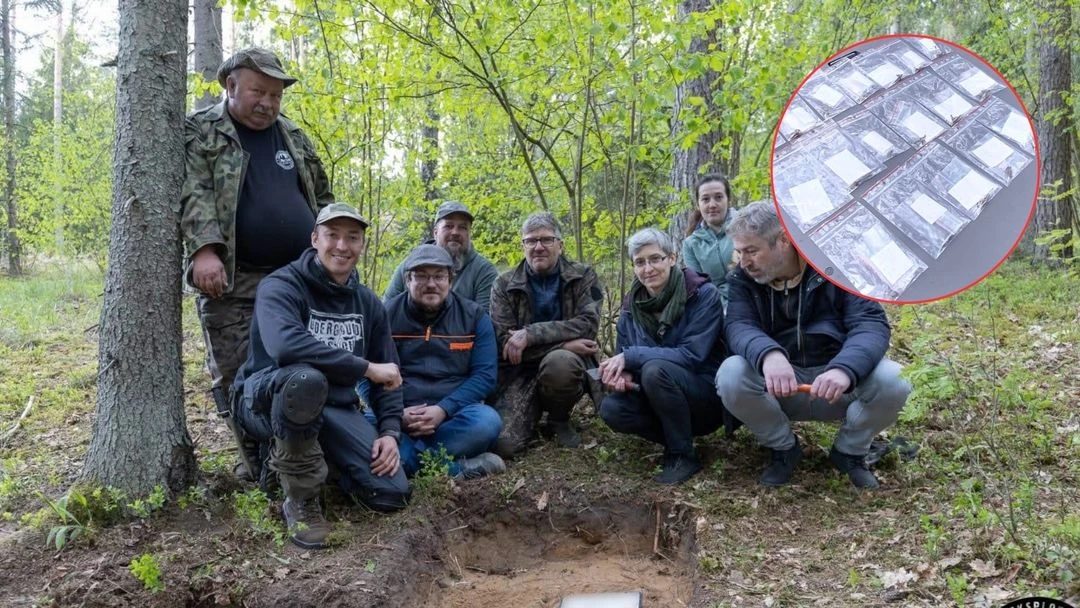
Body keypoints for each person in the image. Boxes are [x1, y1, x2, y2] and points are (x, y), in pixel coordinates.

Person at [180, 47, 334, 481]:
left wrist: (332, 252)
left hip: (297, 280)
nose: (268, 102)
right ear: (230, 86)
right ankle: (260, 468)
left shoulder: (293, 135)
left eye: (276, 94)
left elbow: (321, 197)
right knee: (239, 376)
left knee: (302, 369)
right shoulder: (201, 131)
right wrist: (204, 249)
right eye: (258, 91)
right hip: (233, 281)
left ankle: (300, 458)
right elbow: (193, 192)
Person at [232, 203, 410, 550]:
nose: (342, 246)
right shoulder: (281, 285)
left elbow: (389, 373)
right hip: (266, 400)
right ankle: (300, 500)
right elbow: (287, 346)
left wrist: (389, 431)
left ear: (362, 246)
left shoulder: (368, 303)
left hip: (332, 407)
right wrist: (364, 369)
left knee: (391, 493)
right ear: (315, 239)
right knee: (306, 381)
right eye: (332, 235)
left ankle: (297, 461)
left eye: (352, 238)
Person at [715, 201, 911, 489]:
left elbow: (870, 324)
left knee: (894, 380)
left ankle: (849, 452)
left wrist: (844, 370)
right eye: (740, 252)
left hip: (837, 386)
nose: (744, 262)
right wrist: (768, 354)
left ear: (784, 240)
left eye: (752, 251)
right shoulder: (743, 280)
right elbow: (738, 325)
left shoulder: (837, 267)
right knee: (731, 374)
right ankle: (783, 448)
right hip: (781, 386)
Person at [597, 228, 728, 485]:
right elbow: (626, 358)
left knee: (656, 369)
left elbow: (693, 355)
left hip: (704, 396)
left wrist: (633, 357)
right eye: (640, 262)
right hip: (657, 397)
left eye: (655, 258)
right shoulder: (629, 307)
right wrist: (620, 376)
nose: (648, 269)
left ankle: (682, 455)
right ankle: (676, 438)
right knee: (611, 409)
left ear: (672, 258)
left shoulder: (702, 295)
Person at [382, 244, 506, 479]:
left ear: (450, 280)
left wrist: (443, 409)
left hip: (454, 415)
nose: (431, 284)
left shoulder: (474, 316)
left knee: (487, 421)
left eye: (439, 276)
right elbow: (367, 376)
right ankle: (456, 468)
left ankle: (409, 462)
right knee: (364, 426)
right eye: (421, 276)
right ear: (408, 279)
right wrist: (397, 414)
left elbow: (485, 376)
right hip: (400, 413)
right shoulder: (385, 315)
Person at [489, 212, 604, 456]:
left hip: (562, 366)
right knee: (504, 445)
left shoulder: (583, 276)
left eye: (546, 240)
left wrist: (530, 334)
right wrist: (565, 344)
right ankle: (530, 413)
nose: (538, 247)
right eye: (530, 241)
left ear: (560, 245)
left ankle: (558, 418)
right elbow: (504, 343)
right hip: (520, 372)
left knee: (560, 363)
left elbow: (588, 324)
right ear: (523, 246)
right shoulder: (503, 284)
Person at [382, 201, 500, 311]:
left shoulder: (484, 271)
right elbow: (387, 310)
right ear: (435, 232)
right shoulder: (410, 266)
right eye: (448, 226)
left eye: (463, 228)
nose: (455, 232)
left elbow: (484, 320)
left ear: (469, 234)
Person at [681, 174, 737, 309]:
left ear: (728, 199)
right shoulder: (691, 244)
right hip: (714, 307)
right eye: (705, 199)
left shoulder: (746, 228)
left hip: (749, 302)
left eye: (718, 197)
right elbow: (698, 287)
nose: (712, 205)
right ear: (698, 204)